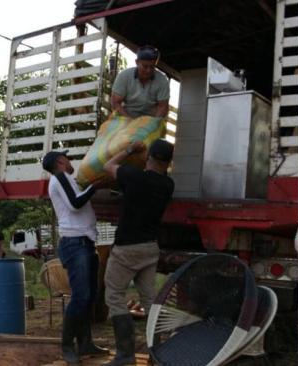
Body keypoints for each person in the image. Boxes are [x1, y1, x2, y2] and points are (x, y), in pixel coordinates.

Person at [102, 139, 175, 366]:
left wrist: (130, 150)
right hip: (149, 248)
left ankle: (125, 355)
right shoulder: (168, 184)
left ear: (148, 157)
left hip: (127, 248)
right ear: (169, 162)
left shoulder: (134, 176)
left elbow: (108, 166)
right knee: (150, 299)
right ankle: (157, 354)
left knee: (114, 295)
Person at [42, 150, 109, 364]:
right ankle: (67, 346)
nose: (70, 162)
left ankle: (85, 343)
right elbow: (75, 203)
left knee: (88, 296)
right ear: (61, 161)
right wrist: (95, 186)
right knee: (81, 296)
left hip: (84, 242)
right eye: (67, 158)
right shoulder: (60, 177)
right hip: (75, 244)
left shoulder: (66, 179)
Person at [111, 45, 170, 119]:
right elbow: (115, 103)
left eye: (152, 67)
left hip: (150, 120)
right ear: (137, 62)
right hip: (126, 117)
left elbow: (163, 106)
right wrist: (129, 121)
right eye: (145, 66)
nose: (148, 70)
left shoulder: (162, 80)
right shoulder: (124, 76)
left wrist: (154, 123)